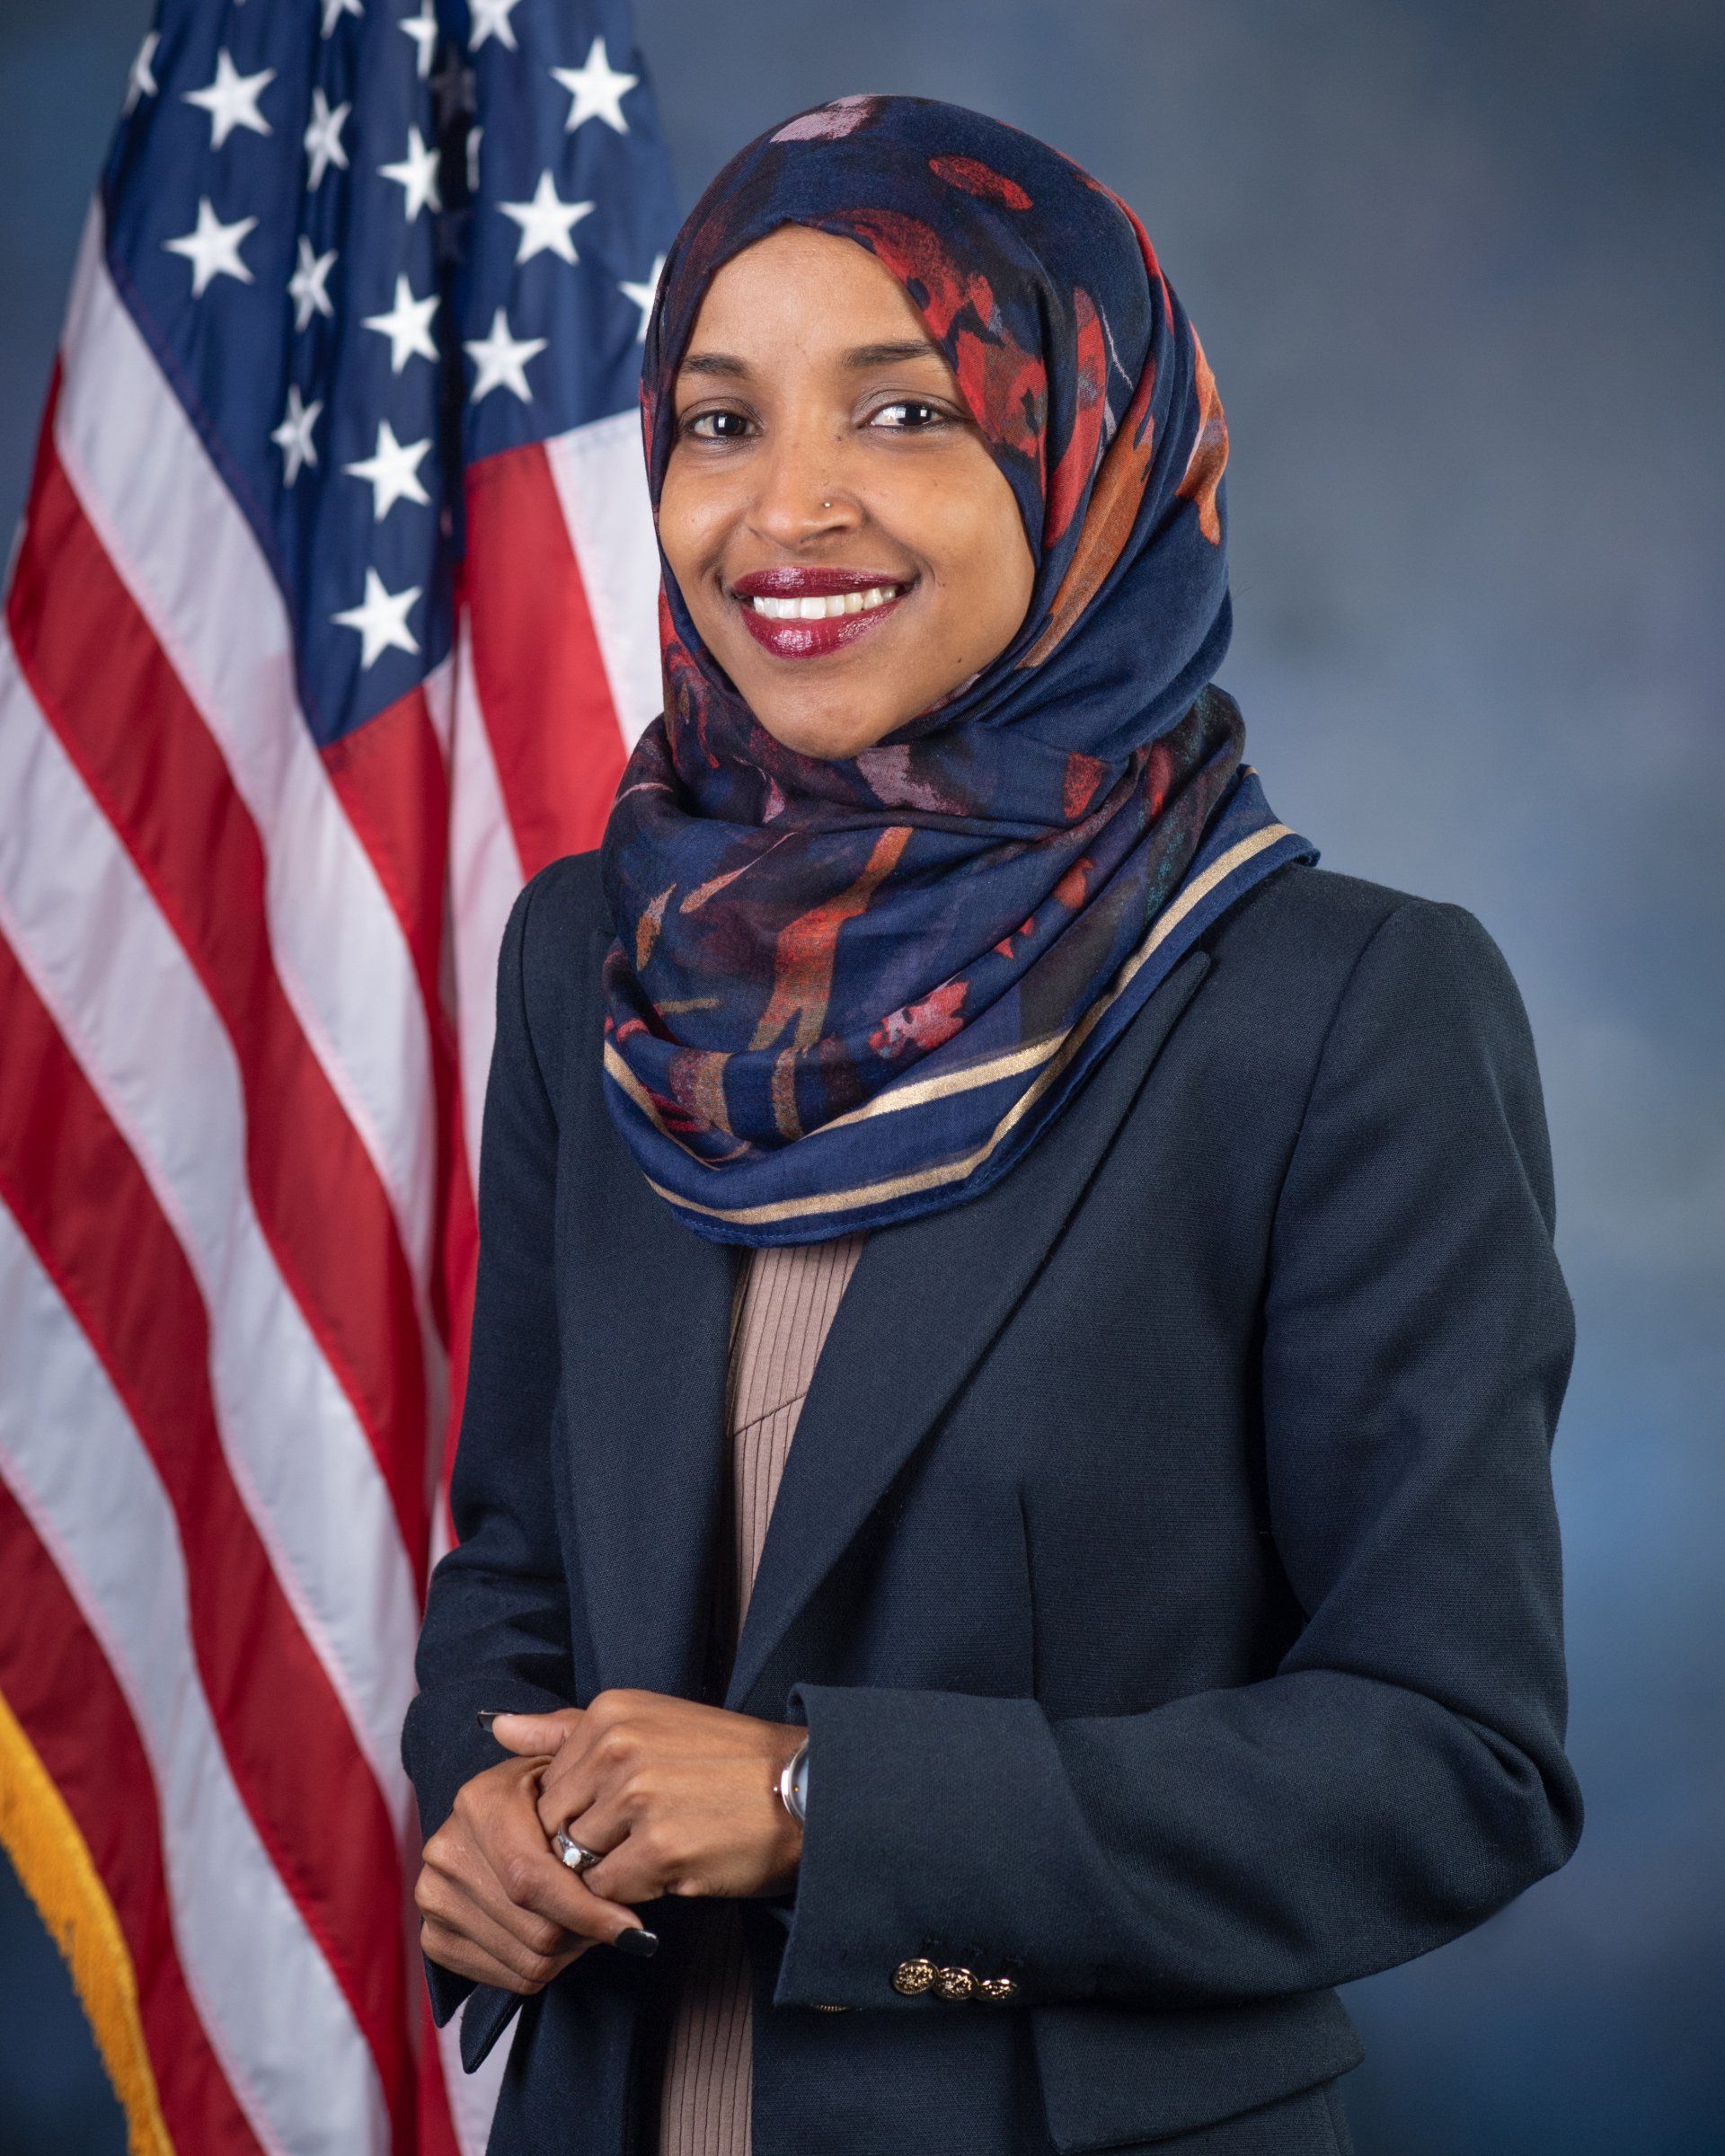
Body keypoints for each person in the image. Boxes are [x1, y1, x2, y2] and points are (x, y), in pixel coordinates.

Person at [402, 93, 1582, 2156]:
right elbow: (519, 1546)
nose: (785, 513)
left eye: (904, 413)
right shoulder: (591, 948)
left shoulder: (1336, 1012)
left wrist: (814, 1811)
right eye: (718, 420)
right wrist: (475, 1810)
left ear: (1092, 451)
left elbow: (1449, 1761)